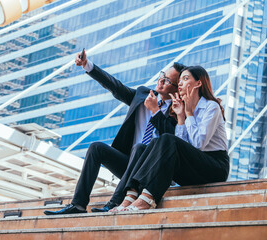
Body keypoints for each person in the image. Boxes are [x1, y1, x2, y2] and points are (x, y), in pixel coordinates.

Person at [44, 50, 185, 215]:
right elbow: (115, 86)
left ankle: (115, 202)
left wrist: (155, 111)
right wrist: (88, 66)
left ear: (176, 89)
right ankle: (78, 205)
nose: (160, 80)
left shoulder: (177, 109)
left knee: (140, 147)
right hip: (129, 165)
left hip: (151, 170)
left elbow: (172, 138)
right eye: (162, 75)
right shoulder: (142, 95)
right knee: (96, 148)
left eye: (167, 80)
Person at [110, 65, 229, 212]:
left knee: (166, 138)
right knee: (149, 144)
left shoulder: (211, 107)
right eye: (179, 80)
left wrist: (189, 114)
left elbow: (198, 144)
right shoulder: (184, 108)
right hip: (193, 167)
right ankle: (131, 195)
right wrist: (181, 117)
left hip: (214, 167)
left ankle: (147, 198)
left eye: (185, 79)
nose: (180, 83)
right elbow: (182, 146)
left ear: (199, 83)